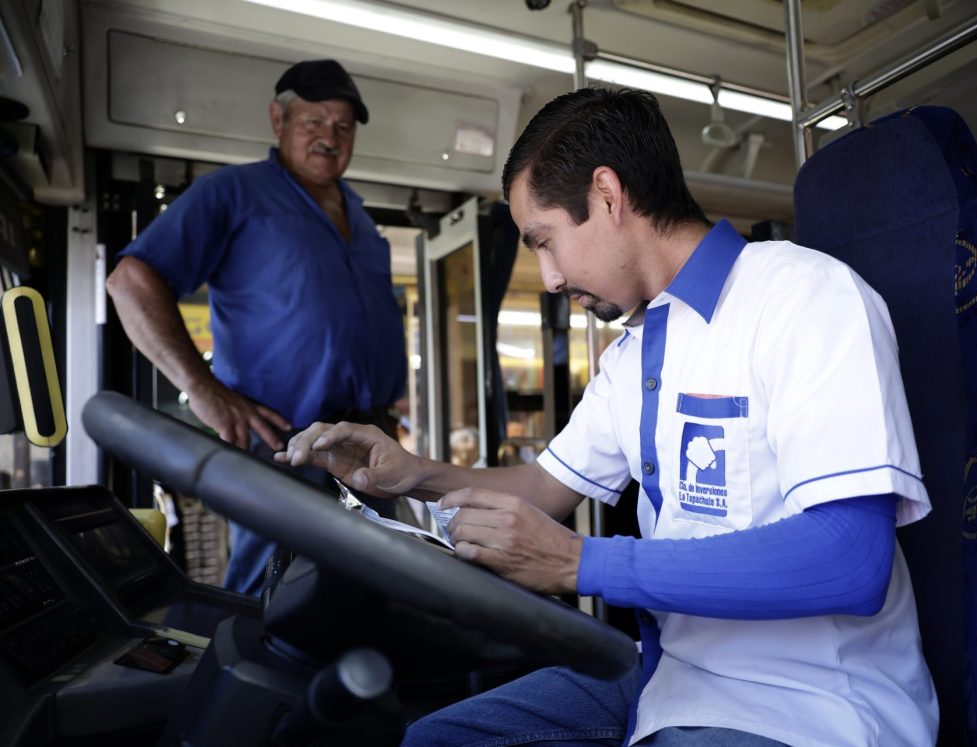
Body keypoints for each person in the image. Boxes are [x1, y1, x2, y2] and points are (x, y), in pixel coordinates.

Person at [279, 87, 938, 745]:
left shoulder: (802, 296)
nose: (551, 278)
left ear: (606, 195)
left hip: (806, 708)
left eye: (544, 241)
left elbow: (852, 556)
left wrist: (579, 562)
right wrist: (410, 473)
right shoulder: (634, 355)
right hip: (669, 677)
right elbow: (544, 490)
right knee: (434, 739)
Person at [107, 59, 406, 597]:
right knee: (273, 603)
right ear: (278, 119)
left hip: (369, 446)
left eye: (342, 126)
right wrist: (203, 388)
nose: (329, 137)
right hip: (286, 444)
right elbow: (131, 281)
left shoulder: (360, 217)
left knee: (374, 600)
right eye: (314, 121)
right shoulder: (234, 193)